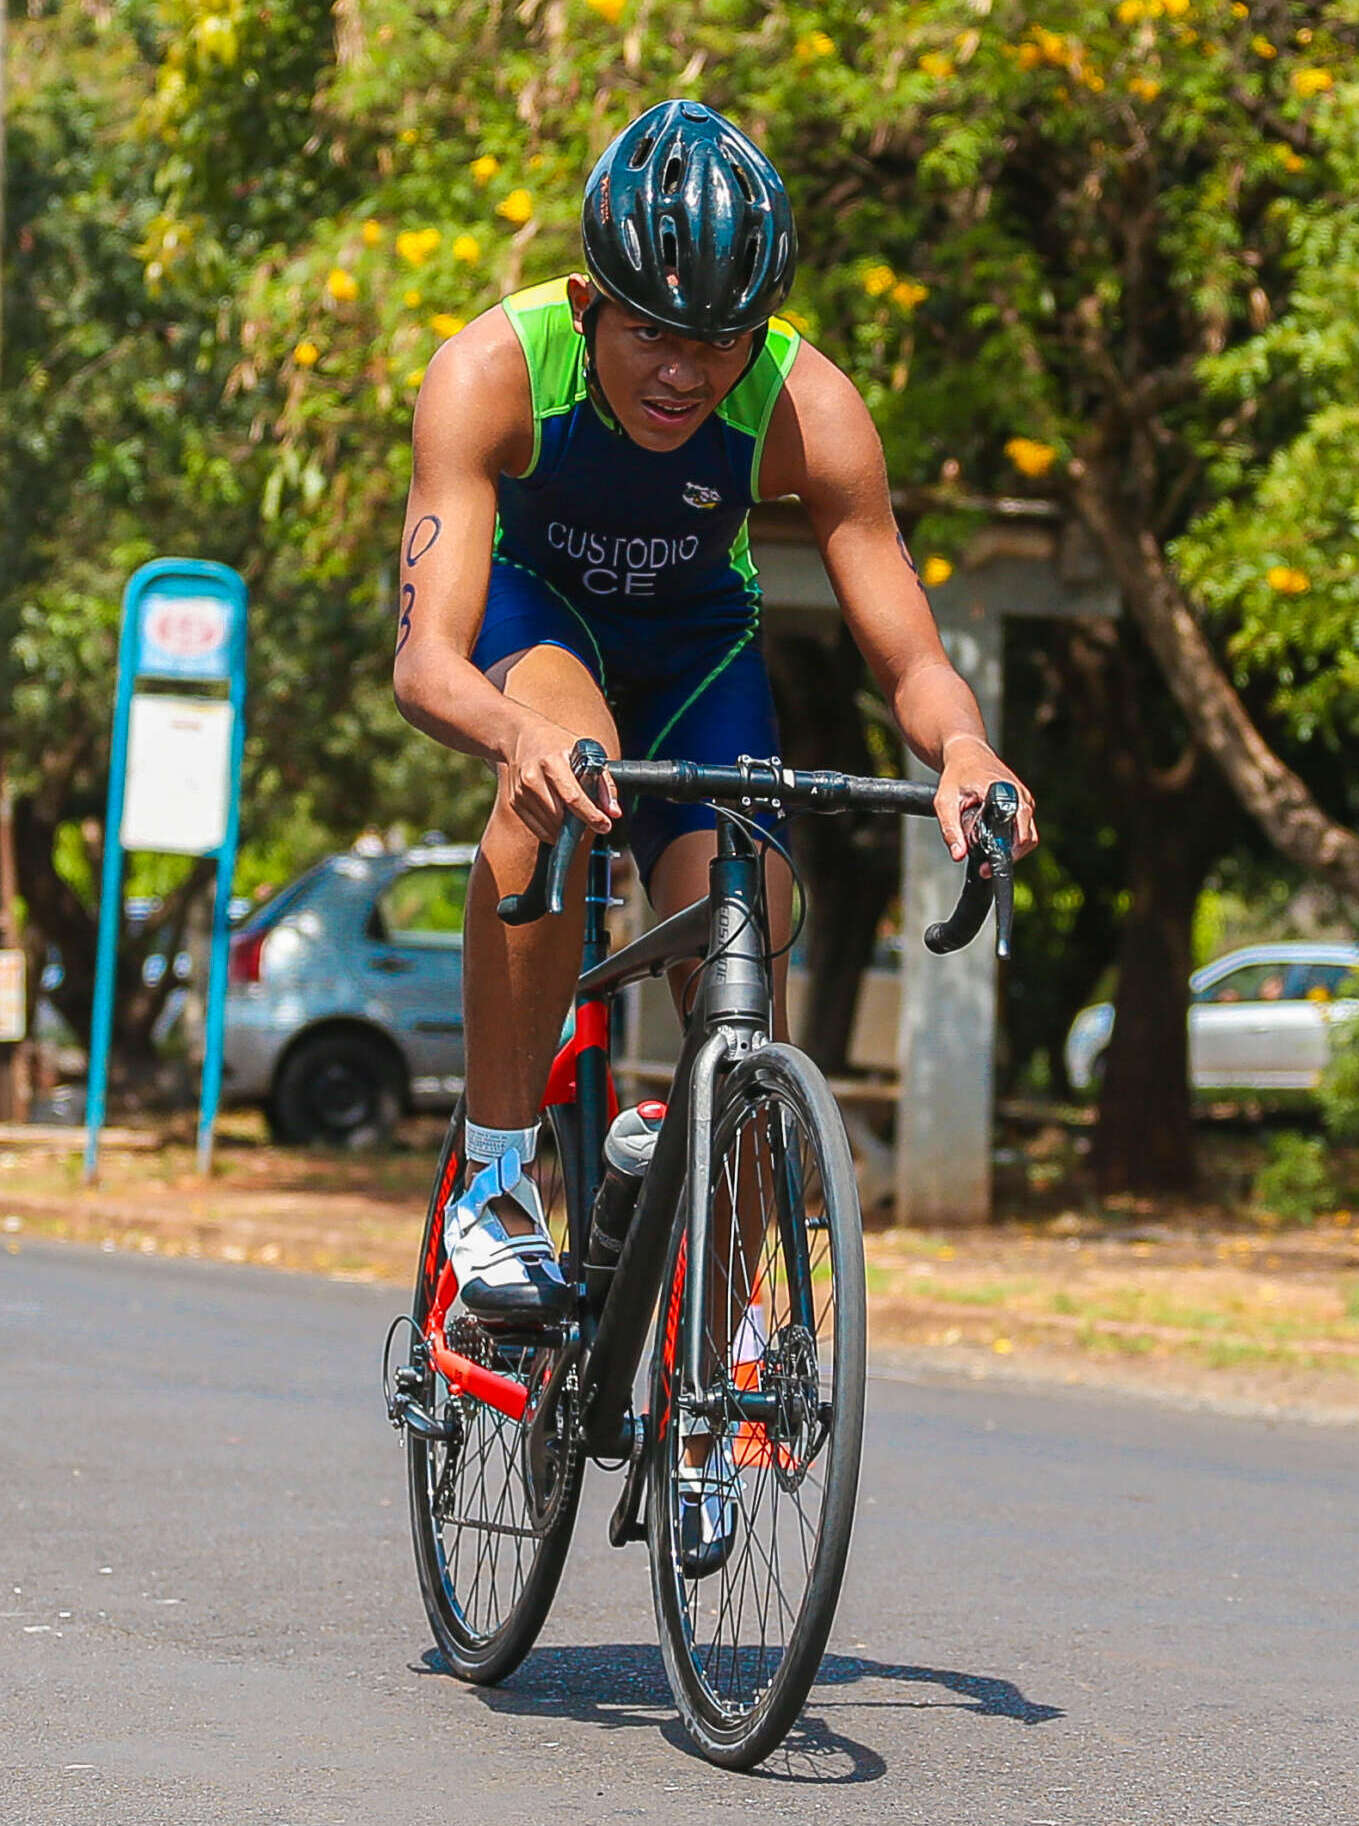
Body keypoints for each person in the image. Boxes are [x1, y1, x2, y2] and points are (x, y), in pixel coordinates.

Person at [390, 98, 1036, 1560]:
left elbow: (909, 650)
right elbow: (426, 658)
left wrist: (964, 748)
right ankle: (499, 1180)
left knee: (753, 917)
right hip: (535, 629)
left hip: (696, 648)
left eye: (721, 340)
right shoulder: (493, 372)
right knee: (557, 770)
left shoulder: (811, 405)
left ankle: (719, 1290)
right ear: (587, 305)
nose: (685, 373)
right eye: (651, 336)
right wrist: (515, 732)